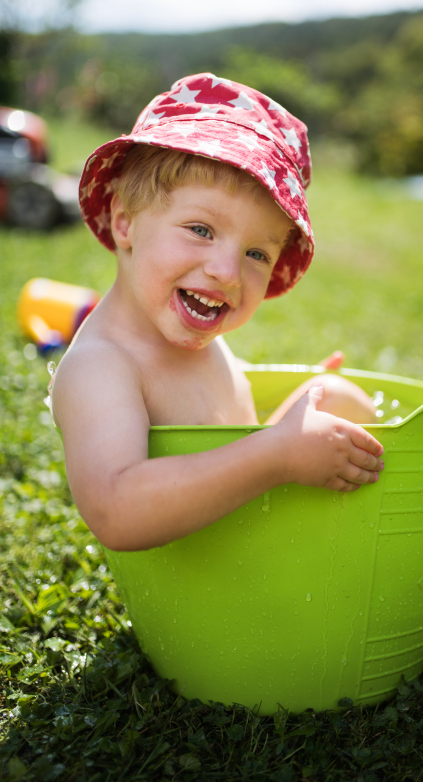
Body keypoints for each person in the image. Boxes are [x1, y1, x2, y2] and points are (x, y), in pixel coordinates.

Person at [51, 73, 384, 552]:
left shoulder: (194, 334)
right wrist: (279, 453)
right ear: (125, 221)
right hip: (199, 590)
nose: (228, 273)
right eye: (201, 230)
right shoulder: (101, 365)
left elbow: (221, 415)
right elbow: (115, 510)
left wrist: (297, 402)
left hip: (248, 539)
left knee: (333, 396)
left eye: (256, 254)